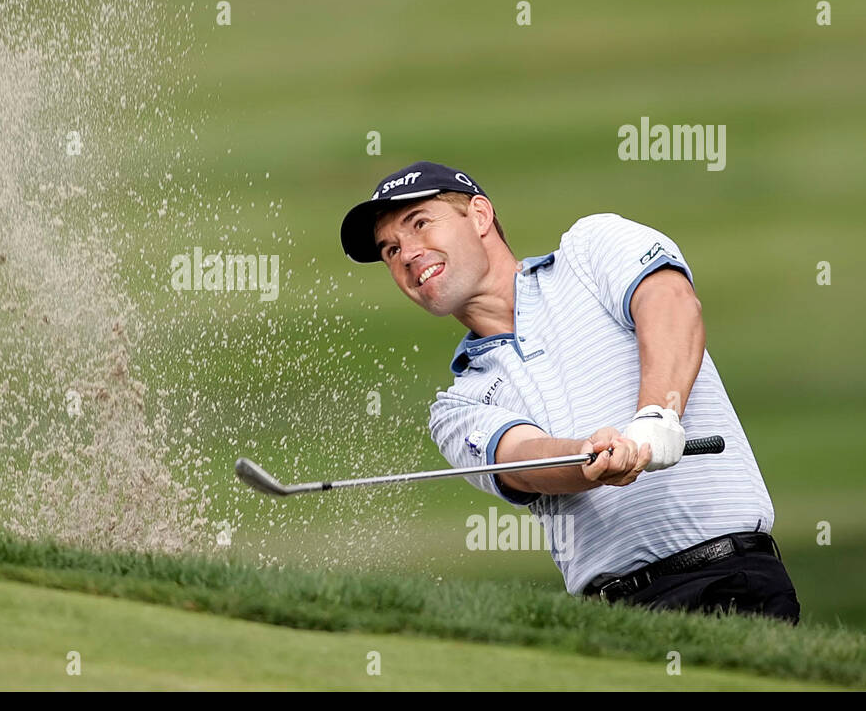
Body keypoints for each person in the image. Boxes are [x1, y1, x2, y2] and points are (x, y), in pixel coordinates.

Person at [339, 161, 800, 622]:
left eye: (420, 224)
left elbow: (671, 302)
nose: (407, 253)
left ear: (479, 216)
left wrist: (658, 416)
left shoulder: (589, 249)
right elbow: (523, 462)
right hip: (612, 619)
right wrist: (590, 457)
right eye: (390, 249)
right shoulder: (458, 403)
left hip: (730, 580)